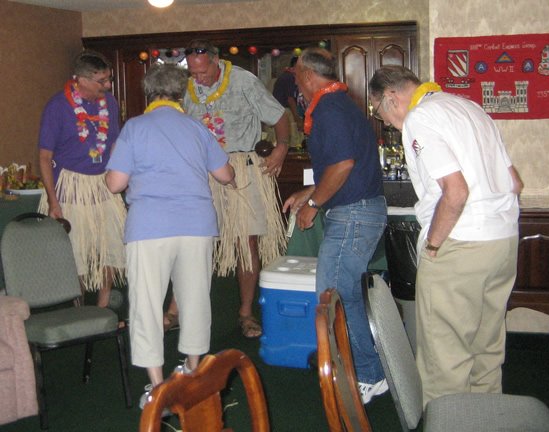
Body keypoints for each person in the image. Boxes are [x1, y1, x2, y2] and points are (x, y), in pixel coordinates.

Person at [368, 66, 524, 407]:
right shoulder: (471, 108)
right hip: (503, 240)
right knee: (486, 347)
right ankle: (485, 420)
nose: (386, 121)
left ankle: (448, 421)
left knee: (444, 356)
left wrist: (434, 245)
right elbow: (514, 182)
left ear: (390, 97)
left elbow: (456, 192)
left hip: (460, 243)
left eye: (379, 112)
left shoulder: (420, 117)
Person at [105, 63, 236, 409]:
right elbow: (225, 175)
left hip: (149, 227)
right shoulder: (197, 127)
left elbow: (115, 183)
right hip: (197, 225)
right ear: (181, 94)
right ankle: (192, 373)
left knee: (147, 304)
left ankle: (158, 387)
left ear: (149, 92)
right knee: (195, 300)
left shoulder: (135, 127)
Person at [282, 47, 388, 404]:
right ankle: (365, 368)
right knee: (341, 294)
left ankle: (369, 374)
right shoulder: (338, 103)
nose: (295, 84)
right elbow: (340, 167)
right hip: (357, 211)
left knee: (335, 296)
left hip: (354, 214)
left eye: (296, 77)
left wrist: (313, 204)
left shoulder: (329, 108)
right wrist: (308, 192)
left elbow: (342, 166)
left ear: (308, 76)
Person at [163, 39, 290, 339]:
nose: (198, 78)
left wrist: (282, 148)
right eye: (193, 72)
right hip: (201, 172)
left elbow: (279, 116)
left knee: (247, 243)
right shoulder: (186, 88)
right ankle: (175, 310)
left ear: (216, 61)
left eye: (203, 72)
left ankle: (246, 313)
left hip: (242, 168)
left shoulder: (244, 81)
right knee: (193, 242)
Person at [38, 49, 126, 307]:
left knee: (112, 245)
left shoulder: (109, 103)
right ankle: (79, 311)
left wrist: (119, 176)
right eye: (102, 81)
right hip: (70, 185)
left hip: (103, 183)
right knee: (76, 253)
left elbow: (114, 144)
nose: (108, 86)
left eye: (109, 79)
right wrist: (54, 201)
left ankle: (103, 305)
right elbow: (44, 157)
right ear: (82, 80)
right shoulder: (57, 106)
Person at [272, 56, 304, 149]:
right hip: (285, 111)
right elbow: (290, 99)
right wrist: (298, 119)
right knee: (293, 142)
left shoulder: (287, 76)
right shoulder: (289, 77)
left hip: (283, 111)